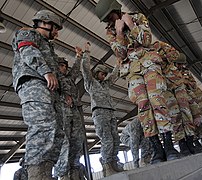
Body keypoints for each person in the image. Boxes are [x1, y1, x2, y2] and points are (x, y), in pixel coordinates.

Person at [95, 0, 179, 165]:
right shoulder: (111, 31)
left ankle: (169, 147)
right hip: (132, 71)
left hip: (149, 64)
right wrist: (119, 32)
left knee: (157, 101)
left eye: (109, 17)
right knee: (143, 106)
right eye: (105, 19)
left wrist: (131, 25)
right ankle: (157, 149)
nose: (108, 21)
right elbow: (120, 53)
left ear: (115, 9)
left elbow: (146, 40)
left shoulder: (138, 17)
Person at [12, 10, 65, 179]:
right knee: (42, 126)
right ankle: (35, 174)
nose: (57, 33)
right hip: (33, 82)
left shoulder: (48, 46)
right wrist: (46, 71)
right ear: (44, 22)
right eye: (55, 28)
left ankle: (43, 172)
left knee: (57, 132)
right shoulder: (27, 33)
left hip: (50, 88)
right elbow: (28, 52)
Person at [81, 42, 123, 177]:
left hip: (110, 112)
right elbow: (85, 70)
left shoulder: (105, 84)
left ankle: (114, 162)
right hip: (99, 112)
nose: (104, 76)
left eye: (105, 74)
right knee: (107, 139)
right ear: (96, 73)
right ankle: (106, 164)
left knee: (116, 139)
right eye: (101, 74)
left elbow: (114, 75)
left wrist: (118, 64)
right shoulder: (90, 82)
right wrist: (86, 53)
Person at [54, 53, 84, 179]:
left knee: (77, 140)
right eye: (61, 66)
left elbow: (76, 69)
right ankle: (63, 174)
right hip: (62, 111)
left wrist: (79, 56)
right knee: (64, 143)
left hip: (74, 111)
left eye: (65, 66)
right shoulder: (54, 77)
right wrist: (63, 96)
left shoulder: (70, 78)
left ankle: (74, 170)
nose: (64, 68)